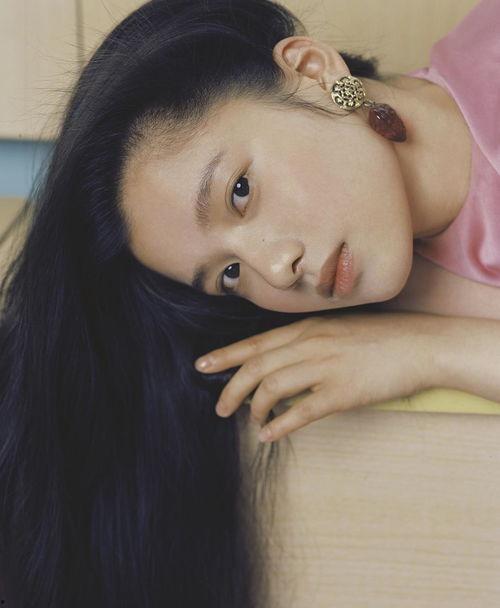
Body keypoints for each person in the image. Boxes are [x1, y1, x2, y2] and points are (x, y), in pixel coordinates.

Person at [0, 0, 496, 606]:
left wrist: (429, 352)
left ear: (312, 71)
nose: (274, 269)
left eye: (240, 192)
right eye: (228, 275)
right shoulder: (377, 306)